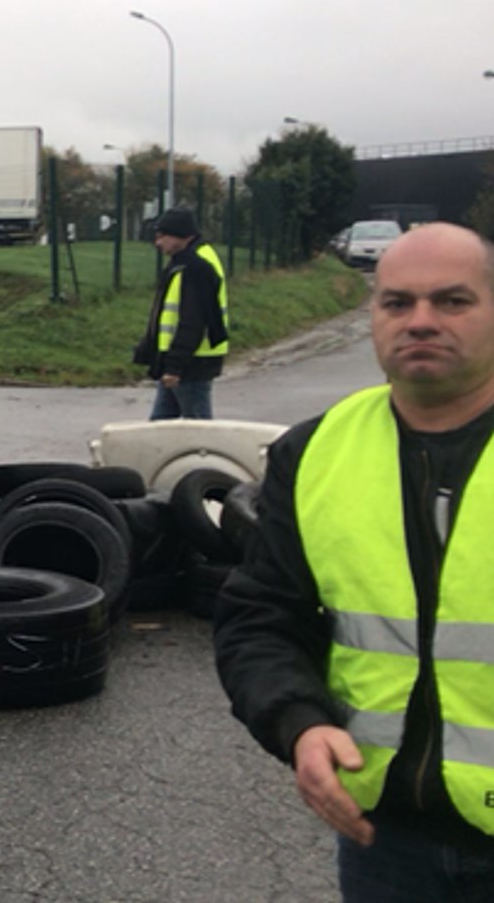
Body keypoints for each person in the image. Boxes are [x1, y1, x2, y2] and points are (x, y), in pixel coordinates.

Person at [214, 222, 494, 900]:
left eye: (452, 302)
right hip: (387, 840)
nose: (420, 321)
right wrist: (299, 724)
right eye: (396, 303)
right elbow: (262, 616)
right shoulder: (315, 453)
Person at [133, 207, 229, 419]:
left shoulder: (195, 266)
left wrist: (175, 366)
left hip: (191, 362)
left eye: (163, 236)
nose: (158, 243)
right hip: (181, 359)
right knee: (161, 428)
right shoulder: (187, 260)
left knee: (197, 432)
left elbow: (193, 321)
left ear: (182, 236)